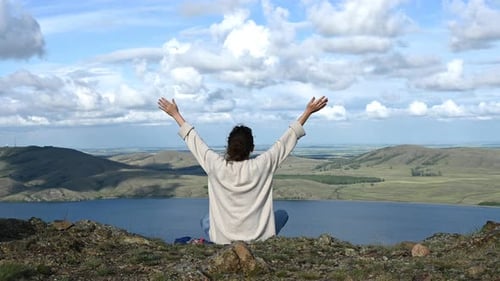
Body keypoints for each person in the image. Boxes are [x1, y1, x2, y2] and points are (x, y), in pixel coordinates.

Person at [158, 96, 328, 244]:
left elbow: (194, 140)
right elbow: (287, 139)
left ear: (228, 146)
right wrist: (308, 112)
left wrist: (175, 114)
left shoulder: (215, 165)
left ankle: (225, 242)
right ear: (251, 148)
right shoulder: (263, 164)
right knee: (282, 214)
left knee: (206, 220)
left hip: (222, 240)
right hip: (260, 239)